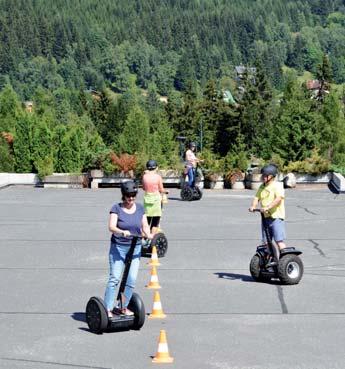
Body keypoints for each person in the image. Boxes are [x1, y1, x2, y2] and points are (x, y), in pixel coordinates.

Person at [104, 180, 153, 318]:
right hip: (118, 248)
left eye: (133, 196)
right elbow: (111, 227)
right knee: (115, 278)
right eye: (128, 196)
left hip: (135, 248)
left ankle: (123, 307)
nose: (131, 199)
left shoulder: (140, 208)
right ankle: (107, 308)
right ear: (123, 195)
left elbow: (145, 226)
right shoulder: (116, 208)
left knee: (131, 279)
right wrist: (121, 231)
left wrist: (149, 235)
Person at [249, 164, 286, 267]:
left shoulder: (277, 185)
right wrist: (253, 206)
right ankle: (272, 258)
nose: (262, 177)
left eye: (265, 175)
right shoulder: (262, 186)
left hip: (276, 217)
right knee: (266, 241)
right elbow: (257, 197)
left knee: (279, 240)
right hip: (265, 217)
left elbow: (279, 199)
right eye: (262, 175)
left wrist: (268, 207)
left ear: (271, 176)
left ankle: (284, 261)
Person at [142, 160, 168, 234]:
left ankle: (145, 237)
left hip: (147, 199)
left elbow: (144, 188)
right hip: (156, 200)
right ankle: (152, 237)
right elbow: (161, 189)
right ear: (156, 167)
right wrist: (166, 191)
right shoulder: (158, 177)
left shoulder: (144, 177)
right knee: (155, 220)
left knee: (147, 219)